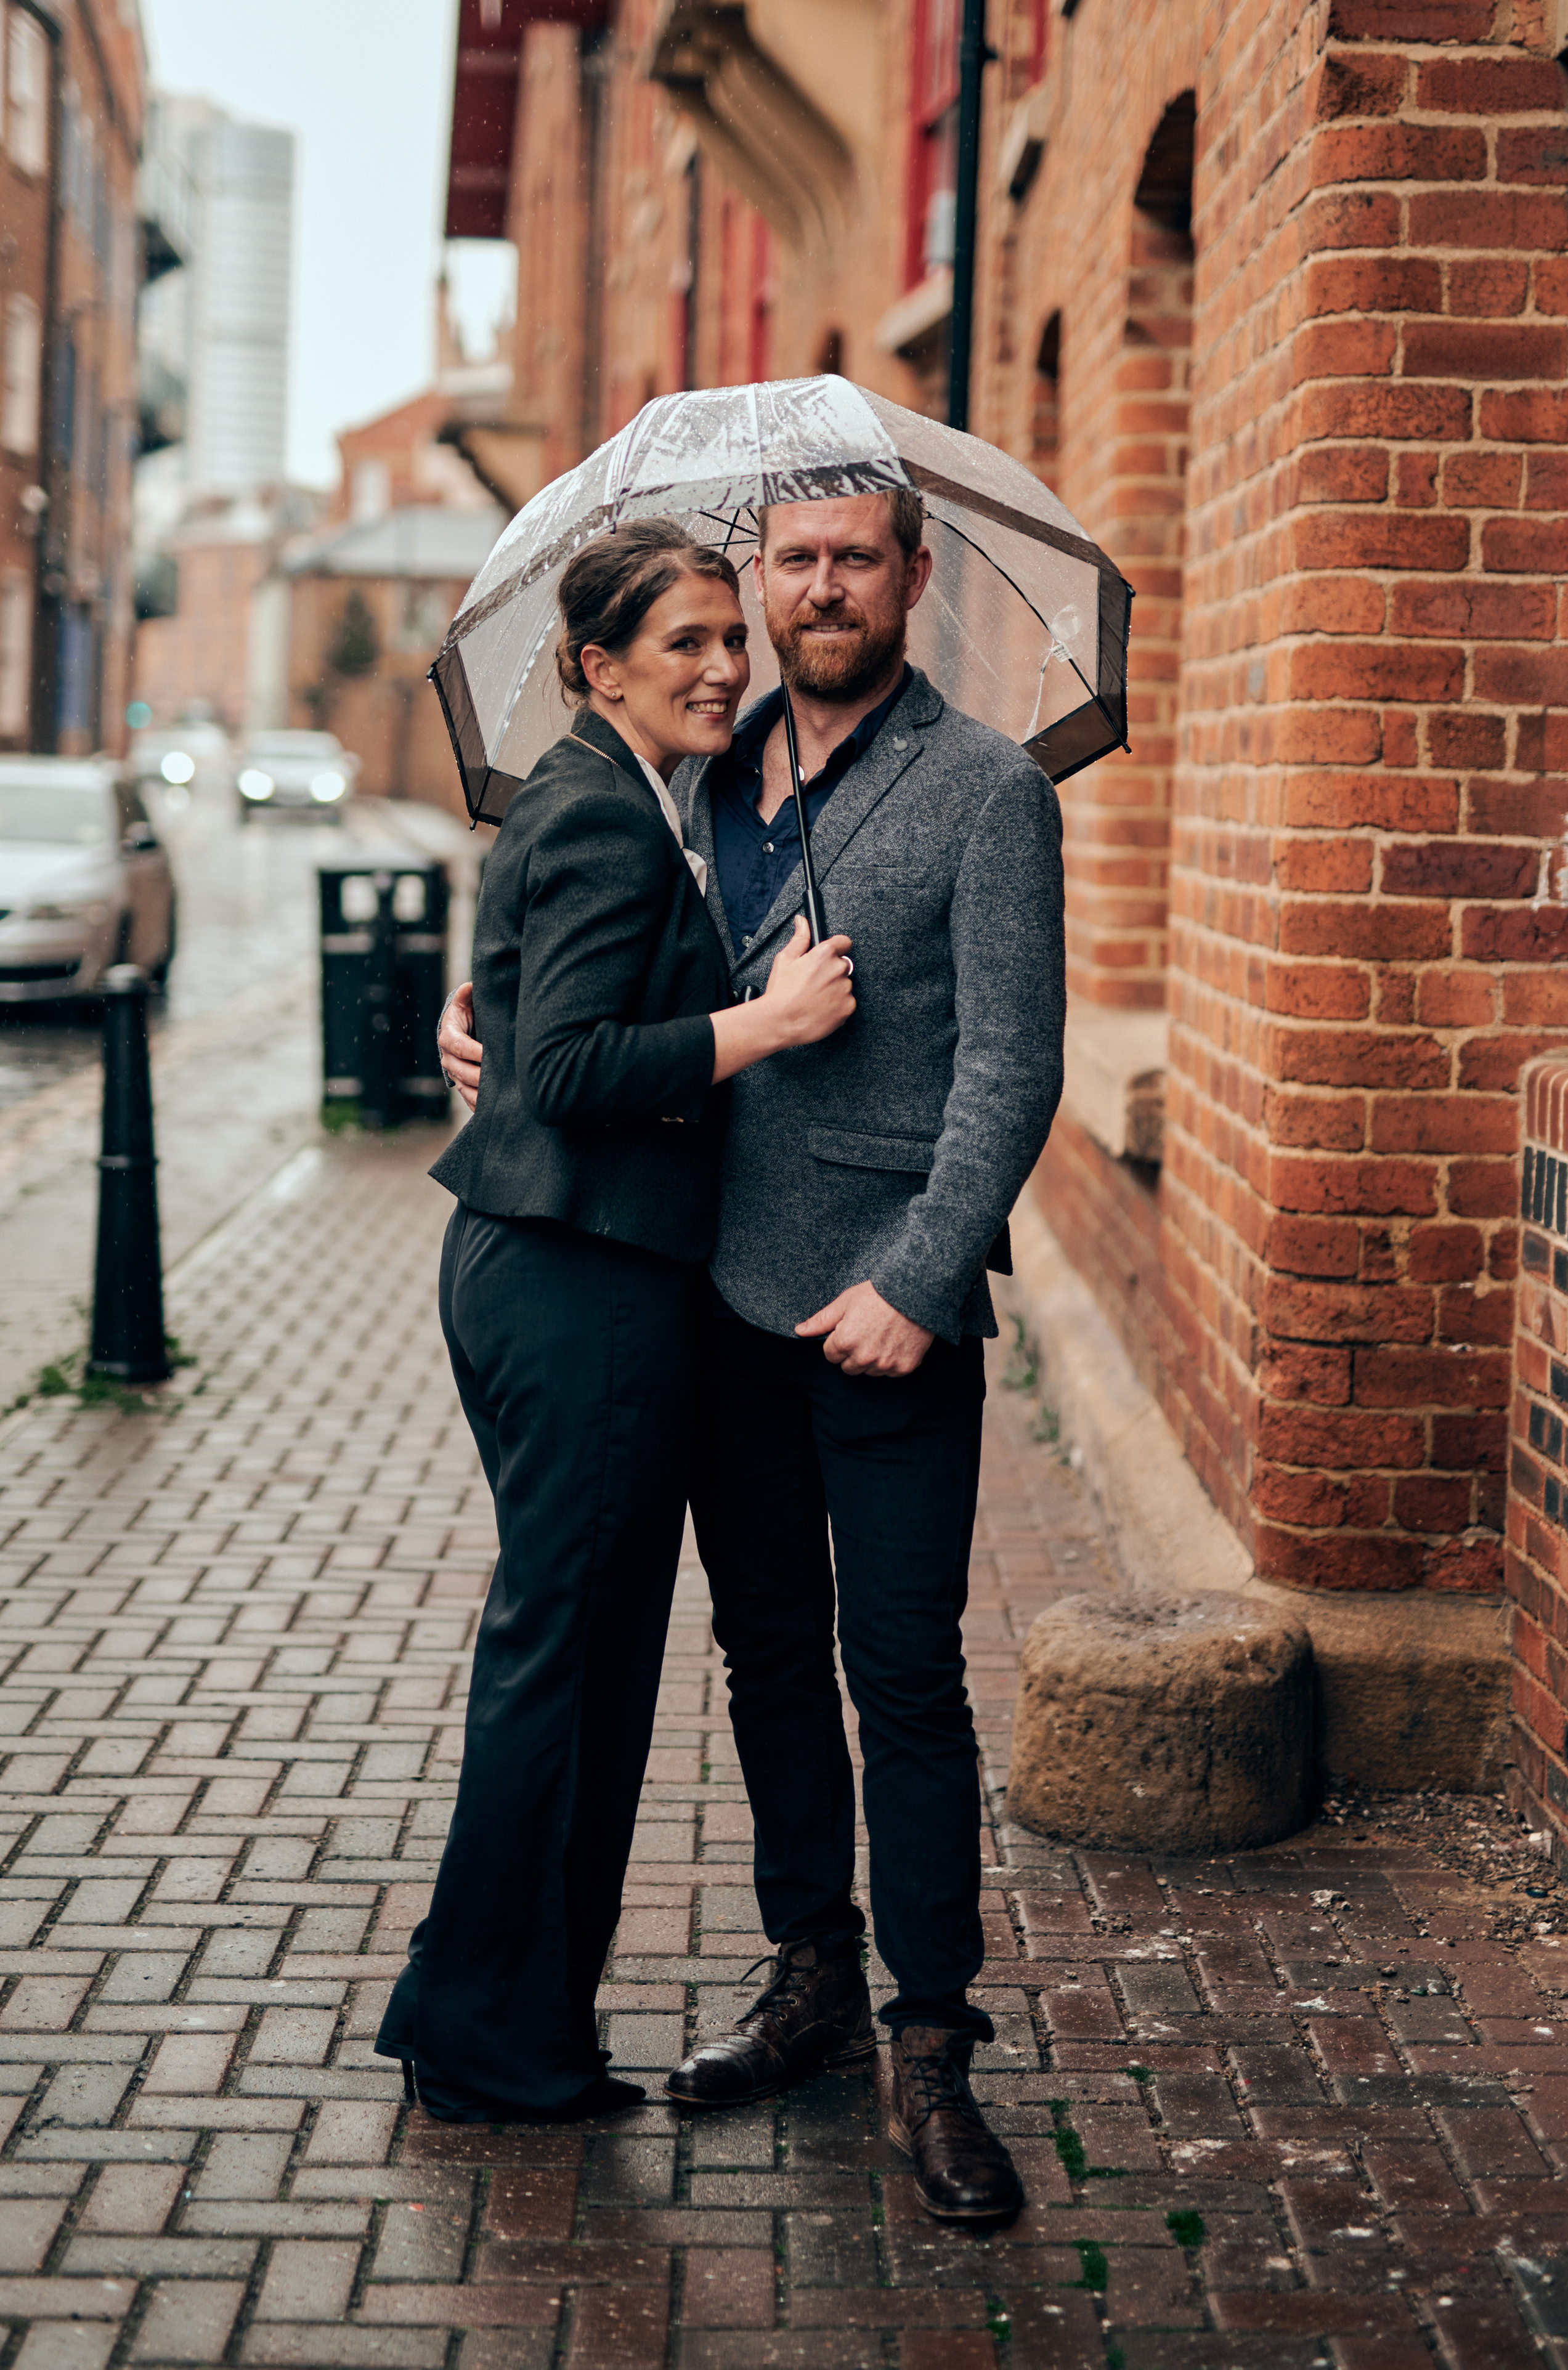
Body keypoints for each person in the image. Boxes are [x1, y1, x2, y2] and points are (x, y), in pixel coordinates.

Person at [439, 489, 1064, 2217]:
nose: (816, 588)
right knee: (772, 1669)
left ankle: (934, 2042)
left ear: (913, 581)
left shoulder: (988, 792)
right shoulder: (702, 765)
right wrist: (479, 1014)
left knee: (911, 1685)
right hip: (714, 1306)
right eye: (790, 561)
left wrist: (924, 1280)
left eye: (854, 557)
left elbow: (1012, 1073)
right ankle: (814, 1983)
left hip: (885, 1318)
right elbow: (600, 977)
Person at [379, 518, 855, 2124]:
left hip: (574, 1267)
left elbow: (531, 1018)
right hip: (575, 1280)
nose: (728, 665)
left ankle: (506, 2017)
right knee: (561, 1666)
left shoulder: (612, 795)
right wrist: (766, 1021)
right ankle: (485, 2039)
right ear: (599, 667)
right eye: (688, 645)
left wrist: (493, 1025)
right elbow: (576, 1070)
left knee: (579, 1665)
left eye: (737, 636)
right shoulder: (601, 813)